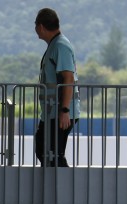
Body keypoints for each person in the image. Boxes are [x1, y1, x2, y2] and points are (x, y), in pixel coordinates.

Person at [34, 8, 80, 167]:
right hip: (51, 112)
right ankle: (55, 187)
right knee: (43, 148)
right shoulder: (55, 45)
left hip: (60, 112)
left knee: (54, 153)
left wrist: (65, 111)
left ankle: (64, 187)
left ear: (40, 27)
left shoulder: (60, 46)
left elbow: (68, 78)